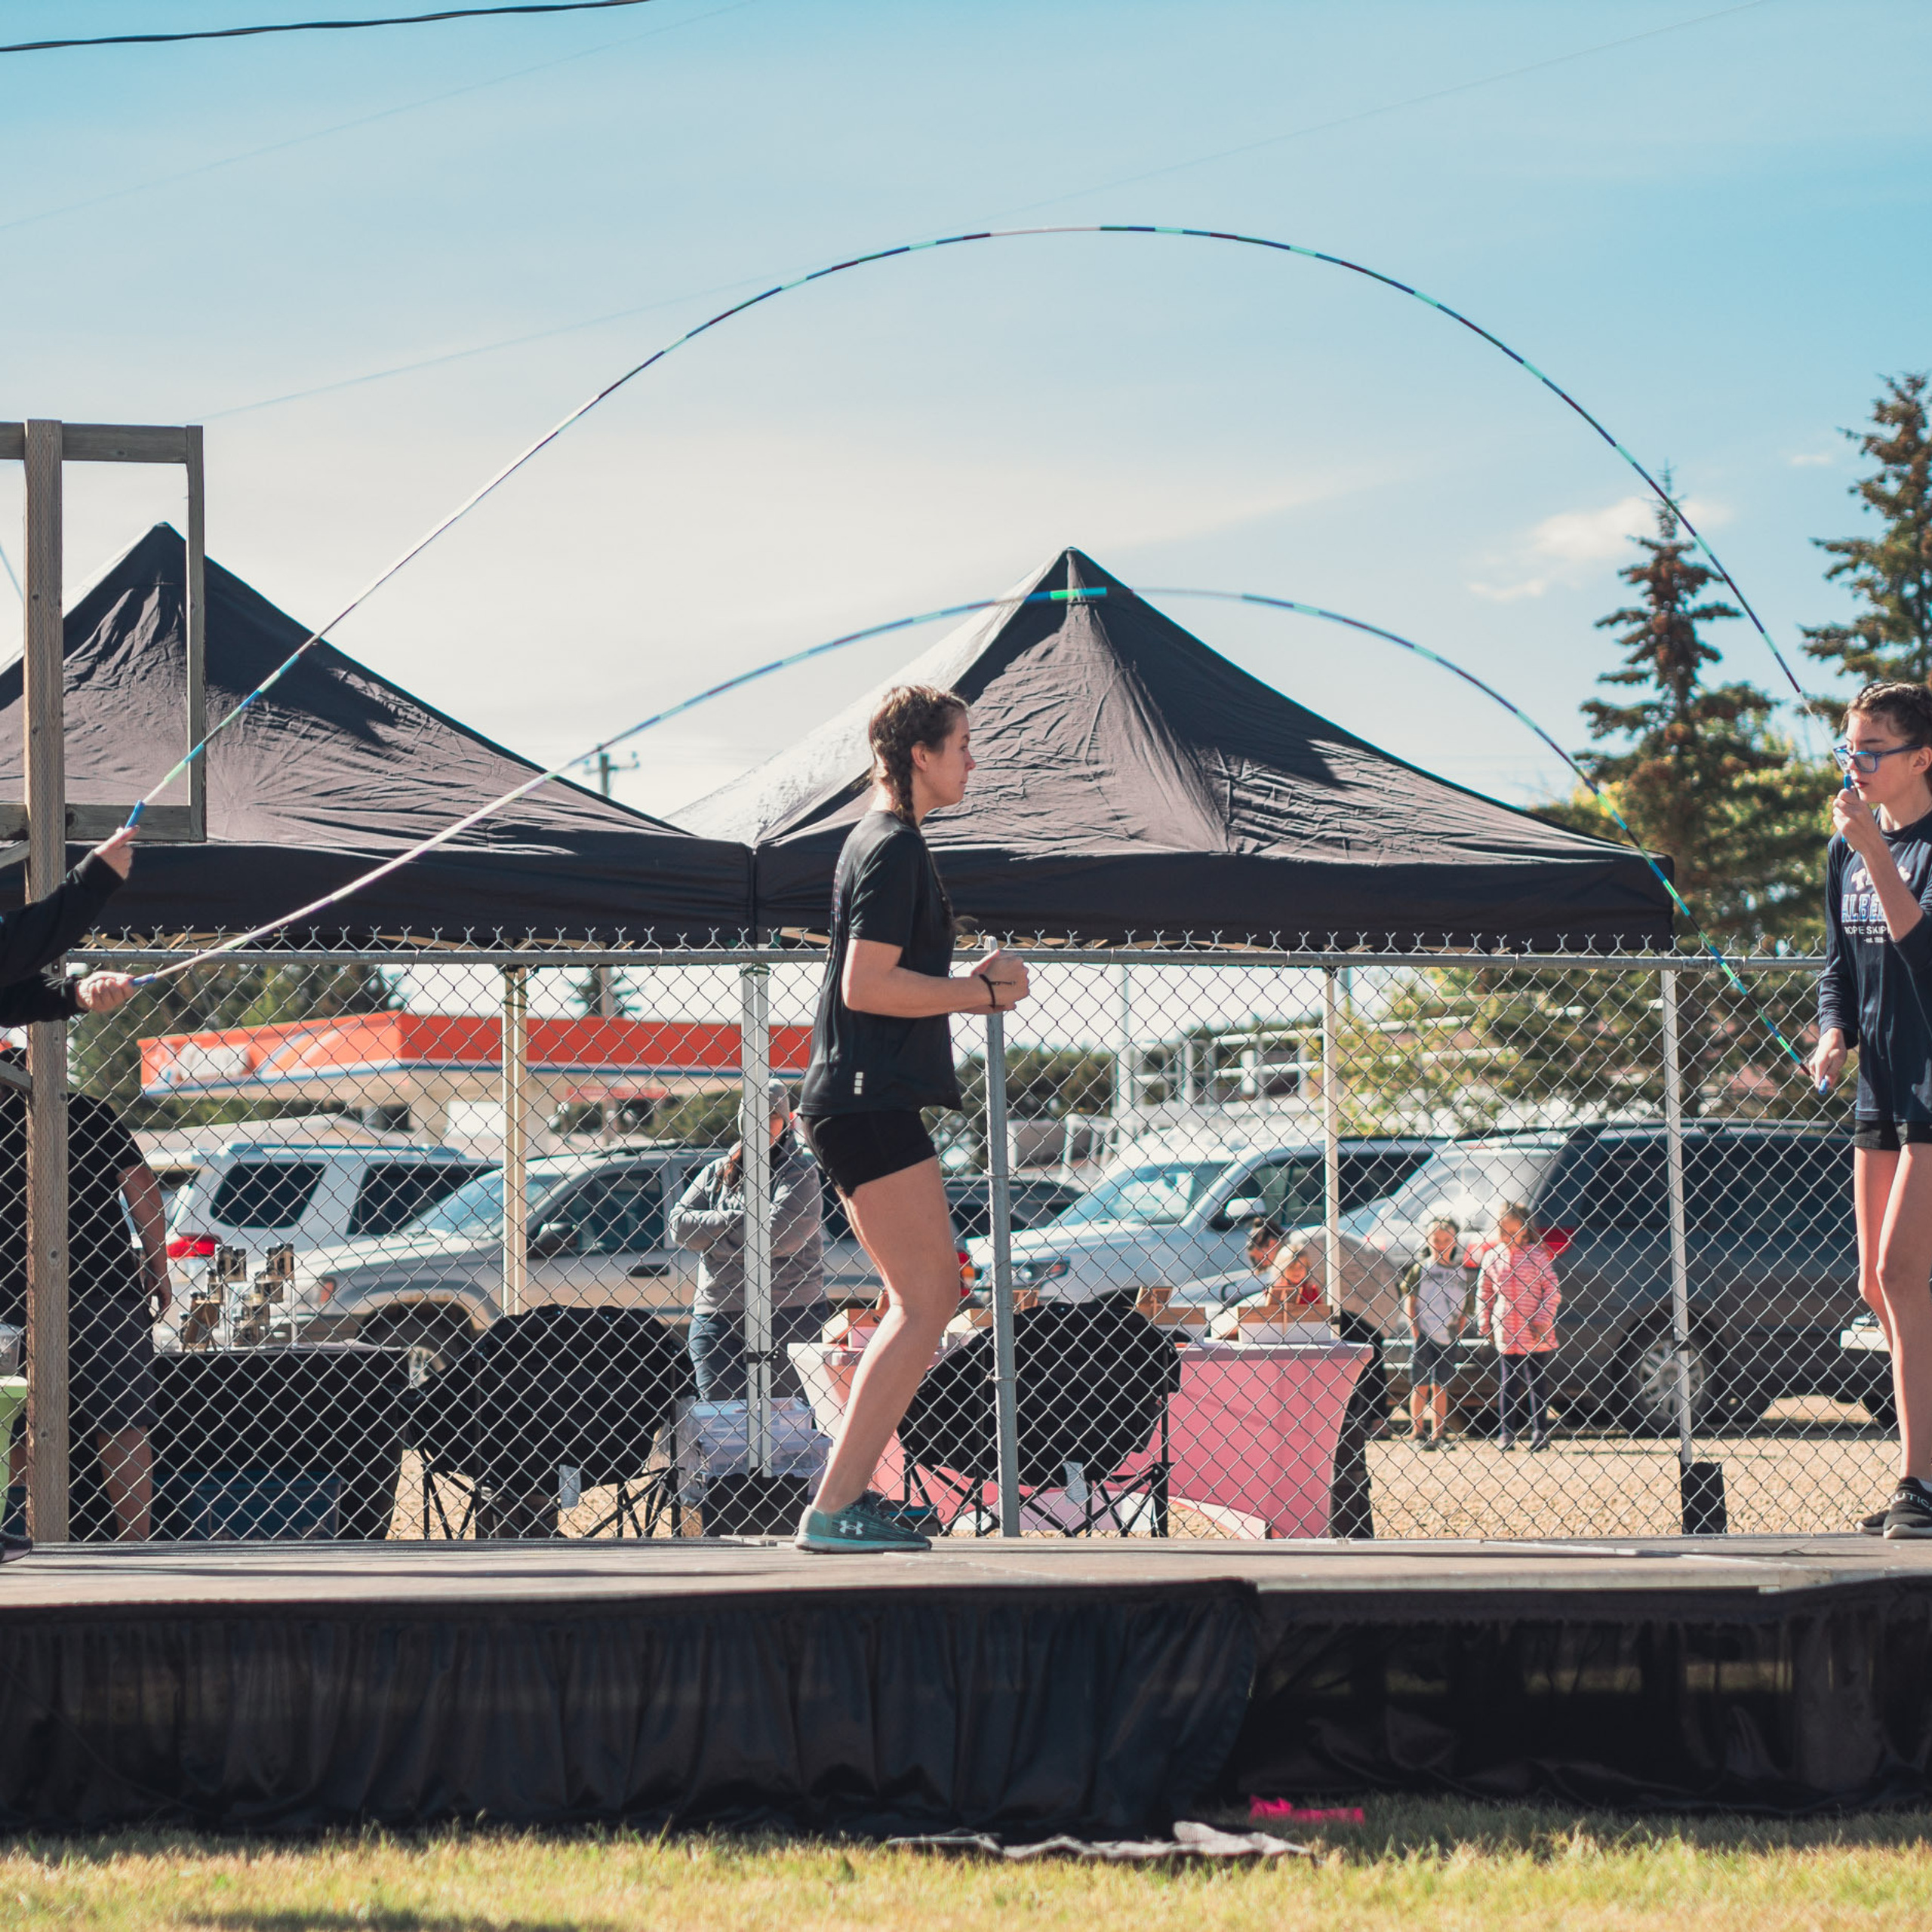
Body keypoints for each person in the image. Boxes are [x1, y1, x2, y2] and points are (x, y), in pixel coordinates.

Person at [792, 684, 1030, 1553]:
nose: (974, 759)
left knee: (920, 1296)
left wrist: (969, 976)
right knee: (930, 1296)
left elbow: (881, 976)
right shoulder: (890, 846)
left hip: (862, 1098)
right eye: (963, 743)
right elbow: (865, 984)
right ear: (920, 754)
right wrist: (981, 992)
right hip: (865, 1098)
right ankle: (833, 1508)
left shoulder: (886, 841)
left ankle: (841, 1502)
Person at [1811, 680, 1932, 1539]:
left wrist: (1877, 854)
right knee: (1872, 1284)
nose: (1854, 764)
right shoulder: (1843, 851)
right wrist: (1832, 1032)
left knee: (1899, 1274)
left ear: (1919, 758)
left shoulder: (1907, 847)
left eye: (1869, 750)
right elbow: (1836, 965)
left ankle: (1916, 1483)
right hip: (1878, 1087)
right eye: (1846, 748)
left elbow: (1922, 954)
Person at [1, 1052, 169, 1543]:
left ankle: (25, 1532)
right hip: (104, 1285)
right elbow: (141, 1187)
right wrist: (159, 1269)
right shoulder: (88, 1111)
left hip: (11, 1291)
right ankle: (135, 1540)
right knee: (123, 1422)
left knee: (16, 1416)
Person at [669, 1080, 828, 1401]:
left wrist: (713, 1241)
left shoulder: (799, 1172)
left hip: (788, 1312)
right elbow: (679, 1226)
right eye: (753, 1116)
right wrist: (736, 1219)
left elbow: (778, 1237)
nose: (761, 1125)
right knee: (722, 1427)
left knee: (787, 1424)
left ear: (785, 1121)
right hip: (717, 1314)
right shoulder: (718, 1171)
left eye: (771, 1116)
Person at [1475, 1202, 1560, 1452]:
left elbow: (1552, 1288)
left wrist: (1543, 1319)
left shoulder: (1536, 1256)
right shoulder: (1492, 1256)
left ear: (1524, 1230)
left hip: (1535, 1330)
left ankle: (1540, 1432)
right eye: (1502, 1231)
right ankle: (1506, 1433)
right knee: (1508, 1381)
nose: (1507, 1238)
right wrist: (1485, 1321)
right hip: (1507, 1329)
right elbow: (1485, 1292)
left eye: (1512, 1232)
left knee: (1537, 1381)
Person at [1400, 1212, 1472, 1449]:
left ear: (1454, 1242)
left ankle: (1438, 1433)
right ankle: (1417, 1432)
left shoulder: (1459, 1273)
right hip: (1425, 1334)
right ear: (1427, 1241)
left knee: (1441, 1385)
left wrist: (1459, 1330)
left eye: (1445, 1240)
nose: (1440, 1245)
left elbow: (1465, 1306)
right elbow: (1410, 1298)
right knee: (1420, 1384)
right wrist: (1415, 1329)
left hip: (1447, 1336)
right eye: (1436, 1240)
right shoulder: (1421, 1269)